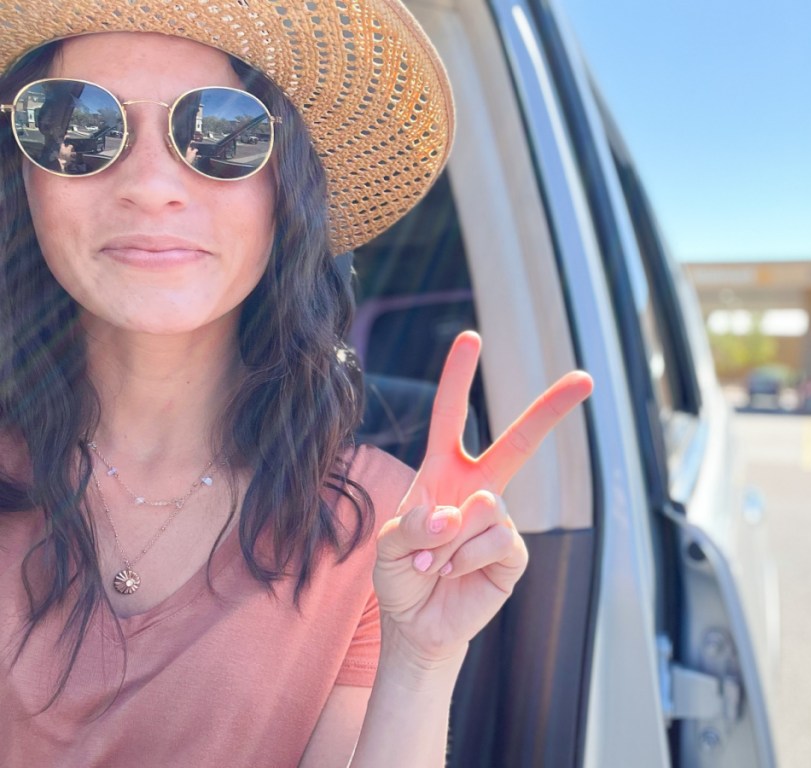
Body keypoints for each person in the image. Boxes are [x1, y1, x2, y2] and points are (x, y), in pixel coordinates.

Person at [0, 2, 593, 766]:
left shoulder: (384, 527)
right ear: (25, 178)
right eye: (74, 125)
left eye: (221, 132)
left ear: (287, 192)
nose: (150, 185)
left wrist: (420, 660)